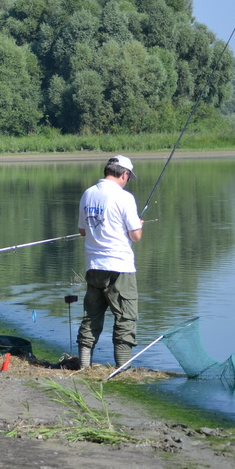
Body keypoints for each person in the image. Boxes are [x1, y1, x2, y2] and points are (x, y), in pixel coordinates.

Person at [77, 155, 144, 370]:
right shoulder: (124, 197)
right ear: (124, 174)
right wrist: (138, 224)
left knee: (91, 317)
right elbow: (136, 236)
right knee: (126, 318)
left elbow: (82, 231)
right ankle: (123, 369)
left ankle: (83, 366)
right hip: (119, 266)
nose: (127, 181)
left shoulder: (88, 193)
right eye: (128, 178)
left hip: (94, 266)